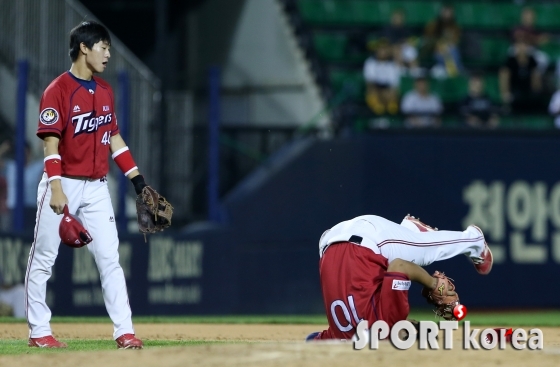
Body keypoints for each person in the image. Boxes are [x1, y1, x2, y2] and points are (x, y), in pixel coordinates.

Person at [25, 21, 150, 349]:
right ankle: (39, 332)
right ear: (84, 47)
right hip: (62, 181)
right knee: (43, 257)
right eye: (103, 47)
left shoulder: (106, 91)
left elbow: (114, 139)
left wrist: (138, 181)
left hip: (96, 187)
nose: (108, 54)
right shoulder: (58, 90)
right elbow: (50, 143)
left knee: (110, 258)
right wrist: (55, 187)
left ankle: (125, 332)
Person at [306, 214, 493, 341]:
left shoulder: (388, 325)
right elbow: (311, 339)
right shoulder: (336, 338)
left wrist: (434, 284)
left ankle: (473, 239)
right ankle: (409, 230)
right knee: (381, 272)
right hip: (329, 242)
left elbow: (400, 266)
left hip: (370, 237)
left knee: (427, 252)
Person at [2, 142, 44, 233]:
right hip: (14, 208)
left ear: (30, 153)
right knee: (12, 235)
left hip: (31, 207)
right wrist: (3, 149)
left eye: (26, 152)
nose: (24, 155)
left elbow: (52, 160)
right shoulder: (11, 167)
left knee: (29, 236)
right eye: (22, 153)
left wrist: (45, 147)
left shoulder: (36, 167)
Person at [499, 40, 543, 114]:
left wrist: (537, 91)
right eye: (519, 45)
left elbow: (535, 79)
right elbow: (504, 77)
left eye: (524, 45)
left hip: (528, 91)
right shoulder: (510, 61)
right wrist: (505, 93)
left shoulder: (532, 60)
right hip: (514, 91)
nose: (522, 48)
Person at [423, 4, 463, 78]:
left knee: (453, 50)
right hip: (436, 50)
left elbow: (456, 41)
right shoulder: (433, 24)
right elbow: (428, 39)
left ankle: (454, 72)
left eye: (449, 13)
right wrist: (438, 45)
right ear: (442, 13)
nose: (447, 15)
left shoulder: (455, 26)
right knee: (445, 51)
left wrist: (448, 45)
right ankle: (455, 72)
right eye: (446, 12)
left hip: (450, 50)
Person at [363, 39, 401, 116]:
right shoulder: (370, 62)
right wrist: (380, 93)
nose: (383, 52)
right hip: (375, 89)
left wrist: (387, 93)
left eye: (384, 50)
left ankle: (391, 114)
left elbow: (394, 84)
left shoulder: (392, 65)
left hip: (387, 90)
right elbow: (370, 82)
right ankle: (377, 110)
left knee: (393, 98)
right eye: (381, 50)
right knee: (372, 92)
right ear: (377, 51)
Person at [381, 9, 419, 74]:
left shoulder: (405, 29)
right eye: (396, 18)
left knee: (411, 50)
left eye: (400, 18)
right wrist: (399, 43)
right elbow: (388, 41)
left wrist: (408, 42)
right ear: (392, 18)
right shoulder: (388, 29)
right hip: (391, 48)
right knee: (397, 49)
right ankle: (400, 70)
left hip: (402, 47)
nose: (398, 20)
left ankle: (414, 71)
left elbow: (409, 39)